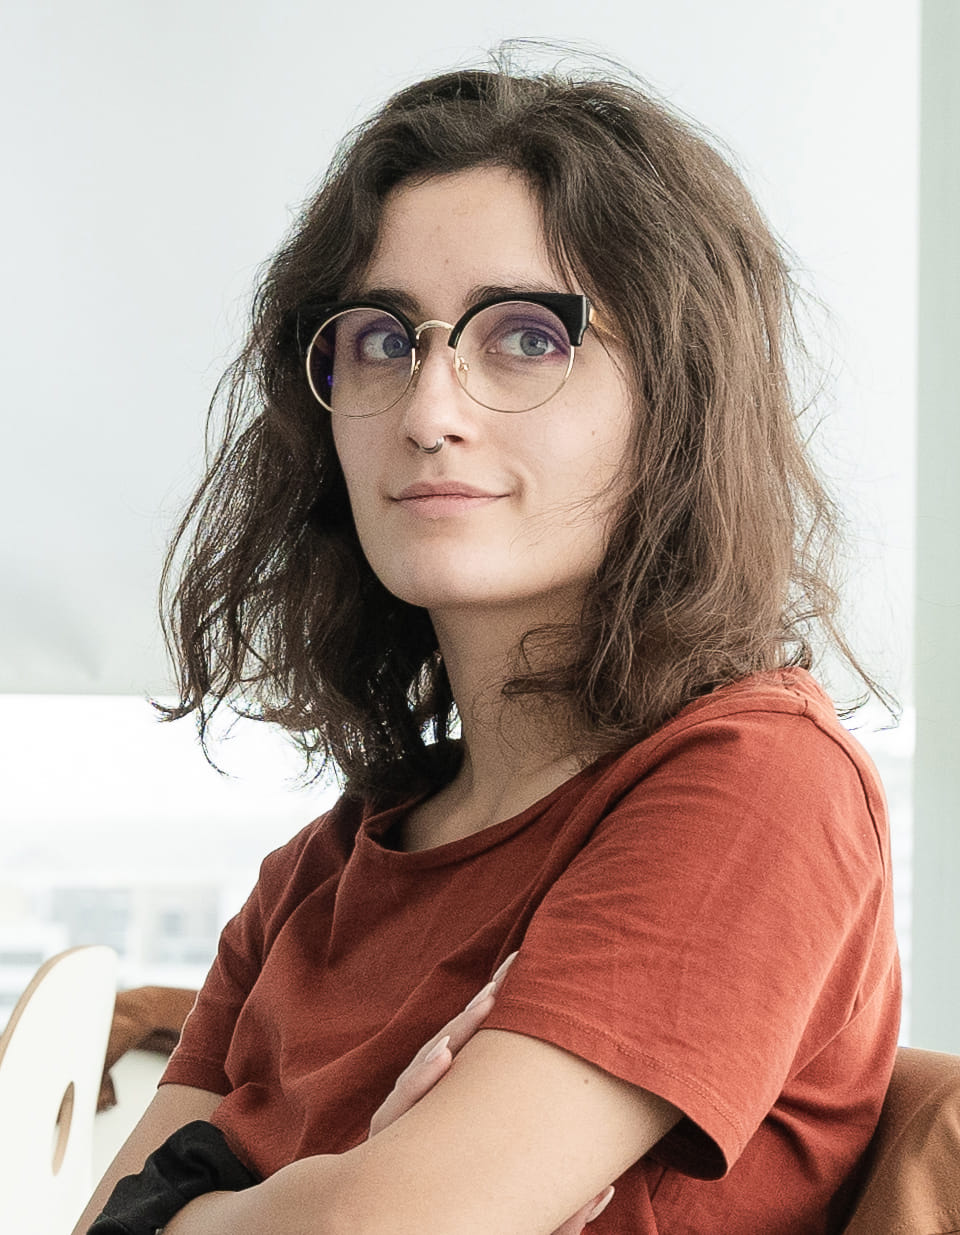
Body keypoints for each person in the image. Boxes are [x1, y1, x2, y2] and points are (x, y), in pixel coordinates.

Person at [74, 51, 900, 1235]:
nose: (428, 410)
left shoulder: (759, 782)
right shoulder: (316, 874)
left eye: (526, 337)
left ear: (678, 398)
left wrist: (215, 1205)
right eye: (381, 339)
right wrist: (333, 1194)